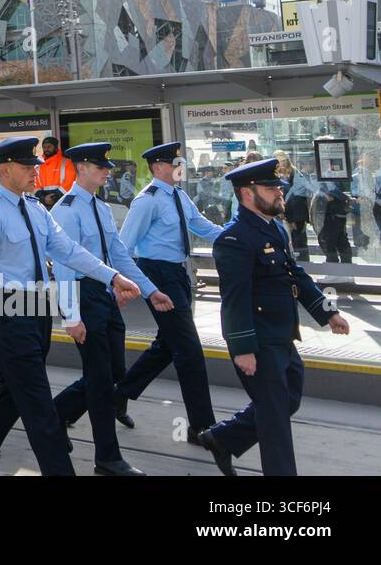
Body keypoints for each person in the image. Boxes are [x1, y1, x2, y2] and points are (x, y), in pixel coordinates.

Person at [0, 138, 141, 477]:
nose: (35, 171)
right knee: (39, 406)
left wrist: (112, 277)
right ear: (5, 170)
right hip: (6, 310)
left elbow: (69, 251)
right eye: (26, 166)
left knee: (9, 394)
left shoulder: (35, 209)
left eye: (34, 164)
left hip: (37, 307)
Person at [199, 158, 351, 476]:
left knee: (289, 400)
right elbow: (235, 300)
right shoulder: (234, 239)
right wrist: (242, 349)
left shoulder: (274, 229)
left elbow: (295, 275)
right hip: (258, 340)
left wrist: (328, 312)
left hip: (283, 335)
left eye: (278, 188)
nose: (279, 193)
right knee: (274, 419)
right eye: (271, 189)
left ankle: (222, 438)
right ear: (247, 193)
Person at [49, 142, 174, 476]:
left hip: (104, 295)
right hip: (83, 295)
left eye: (107, 167)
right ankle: (107, 457)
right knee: (101, 380)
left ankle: (56, 414)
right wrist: (70, 316)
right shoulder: (66, 209)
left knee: (112, 373)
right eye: (100, 166)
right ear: (82, 169)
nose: (107, 171)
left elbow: (118, 257)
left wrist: (151, 291)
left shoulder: (101, 208)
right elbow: (63, 266)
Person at [115, 141, 226, 444]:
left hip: (177, 273)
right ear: (158, 167)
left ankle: (119, 394)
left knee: (167, 344)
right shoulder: (146, 200)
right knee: (189, 350)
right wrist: (134, 285)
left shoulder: (178, 195)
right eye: (174, 164)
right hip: (158, 273)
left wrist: (232, 235)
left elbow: (199, 225)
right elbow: (123, 248)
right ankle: (201, 427)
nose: (180, 168)